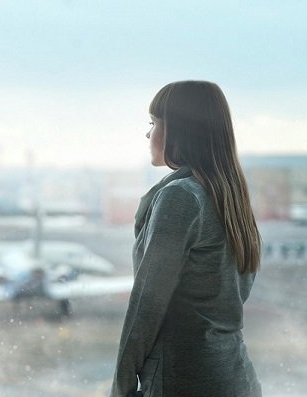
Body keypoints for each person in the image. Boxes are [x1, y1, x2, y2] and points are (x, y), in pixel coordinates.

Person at [110, 81, 262, 397]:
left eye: (154, 124)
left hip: (184, 379)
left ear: (179, 131)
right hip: (236, 377)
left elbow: (145, 307)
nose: (148, 134)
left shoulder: (180, 198)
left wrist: (121, 388)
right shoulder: (229, 196)